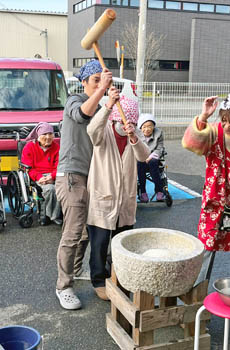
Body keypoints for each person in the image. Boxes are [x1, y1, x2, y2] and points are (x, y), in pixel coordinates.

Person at [182, 93, 230, 285]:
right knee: (207, 245)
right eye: (224, 120)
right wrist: (203, 117)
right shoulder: (213, 131)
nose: (227, 126)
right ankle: (198, 293)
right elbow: (189, 143)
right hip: (215, 201)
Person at [55, 59, 113, 310]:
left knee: (86, 233)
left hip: (93, 177)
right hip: (71, 176)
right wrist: (103, 90)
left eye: (102, 79)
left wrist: (109, 103)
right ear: (84, 82)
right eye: (95, 80)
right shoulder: (74, 101)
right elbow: (82, 114)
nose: (99, 84)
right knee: (72, 233)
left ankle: (75, 271)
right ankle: (63, 286)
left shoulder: (99, 105)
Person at [87, 95, 150, 301]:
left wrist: (134, 138)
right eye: (124, 121)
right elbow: (91, 131)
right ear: (115, 119)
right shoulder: (104, 131)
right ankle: (98, 280)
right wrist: (107, 106)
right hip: (102, 198)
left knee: (121, 242)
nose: (127, 125)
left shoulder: (136, 134)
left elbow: (144, 155)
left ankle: (119, 277)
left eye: (132, 122)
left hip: (125, 201)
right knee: (99, 242)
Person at [21, 122, 62, 226]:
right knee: (50, 189)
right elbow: (28, 168)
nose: (48, 137)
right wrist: (39, 177)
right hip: (37, 175)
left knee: (62, 188)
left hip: (54, 174)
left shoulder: (56, 147)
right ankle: (51, 216)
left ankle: (55, 215)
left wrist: (52, 176)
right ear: (38, 136)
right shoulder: (29, 147)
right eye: (45, 135)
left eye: (50, 134)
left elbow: (60, 165)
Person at [137, 113, 165, 202]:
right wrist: (143, 157)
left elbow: (160, 148)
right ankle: (143, 192)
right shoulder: (136, 135)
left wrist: (151, 157)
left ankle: (159, 191)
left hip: (154, 159)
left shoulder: (158, 133)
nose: (147, 129)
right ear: (140, 127)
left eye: (150, 126)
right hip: (141, 159)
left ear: (154, 126)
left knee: (153, 162)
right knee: (140, 163)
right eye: (144, 126)